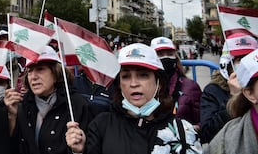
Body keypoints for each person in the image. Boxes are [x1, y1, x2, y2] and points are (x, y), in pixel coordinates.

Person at [66, 43, 202, 154]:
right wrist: (80, 151)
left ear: (159, 83)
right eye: (126, 76)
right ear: (119, 84)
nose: (133, 83)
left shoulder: (183, 131)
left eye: (143, 75)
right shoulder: (101, 125)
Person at [4, 46, 90, 154]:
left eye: (40, 69)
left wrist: (78, 150)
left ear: (56, 73)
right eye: (29, 71)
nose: (33, 77)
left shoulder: (76, 104)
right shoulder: (22, 105)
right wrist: (12, 116)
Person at [200, 33, 258, 143]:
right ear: (227, 63)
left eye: (250, 58)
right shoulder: (213, 90)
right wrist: (234, 98)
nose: (246, 65)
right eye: (240, 59)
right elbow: (207, 134)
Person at [150, 37, 202, 130]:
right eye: (160, 54)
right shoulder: (142, 89)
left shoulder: (190, 88)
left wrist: (188, 130)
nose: (165, 58)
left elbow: (202, 123)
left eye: (170, 54)